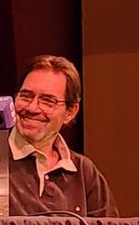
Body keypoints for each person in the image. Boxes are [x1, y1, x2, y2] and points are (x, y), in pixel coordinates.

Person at [9, 54, 118, 216]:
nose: (32, 108)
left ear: (70, 112)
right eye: (26, 96)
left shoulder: (83, 172)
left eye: (47, 101)